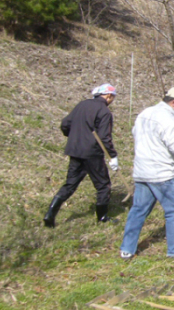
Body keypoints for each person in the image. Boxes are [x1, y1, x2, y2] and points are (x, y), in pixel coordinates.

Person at [119, 87, 174, 261]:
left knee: (138, 210)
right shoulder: (169, 120)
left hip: (141, 171)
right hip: (162, 173)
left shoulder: (145, 114)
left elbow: (135, 134)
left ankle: (127, 248)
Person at [44, 83, 119, 228]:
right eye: (113, 97)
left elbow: (65, 123)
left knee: (70, 184)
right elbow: (105, 137)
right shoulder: (104, 111)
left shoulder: (82, 105)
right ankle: (102, 217)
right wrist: (113, 156)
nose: (112, 100)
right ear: (108, 96)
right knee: (103, 185)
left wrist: (73, 136)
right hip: (92, 153)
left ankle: (50, 214)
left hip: (75, 150)